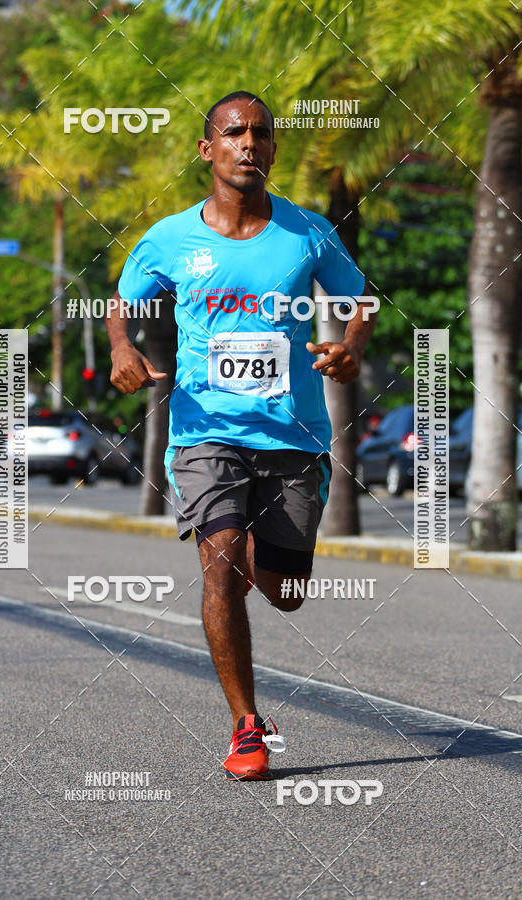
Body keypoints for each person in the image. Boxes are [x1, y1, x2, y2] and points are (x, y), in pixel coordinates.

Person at [107, 90, 376, 780]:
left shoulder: (307, 232)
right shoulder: (171, 237)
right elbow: (120, 303)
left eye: (259, 132)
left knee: (286, 593)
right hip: (205, 430)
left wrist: (350, 346)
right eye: (233, 132)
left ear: (273, 149)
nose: (247, 143)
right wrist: (122, 348)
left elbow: (361, 299)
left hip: (292, 435)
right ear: (209, 149)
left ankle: (256, 541)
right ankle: (246, 725)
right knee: (220, 560)